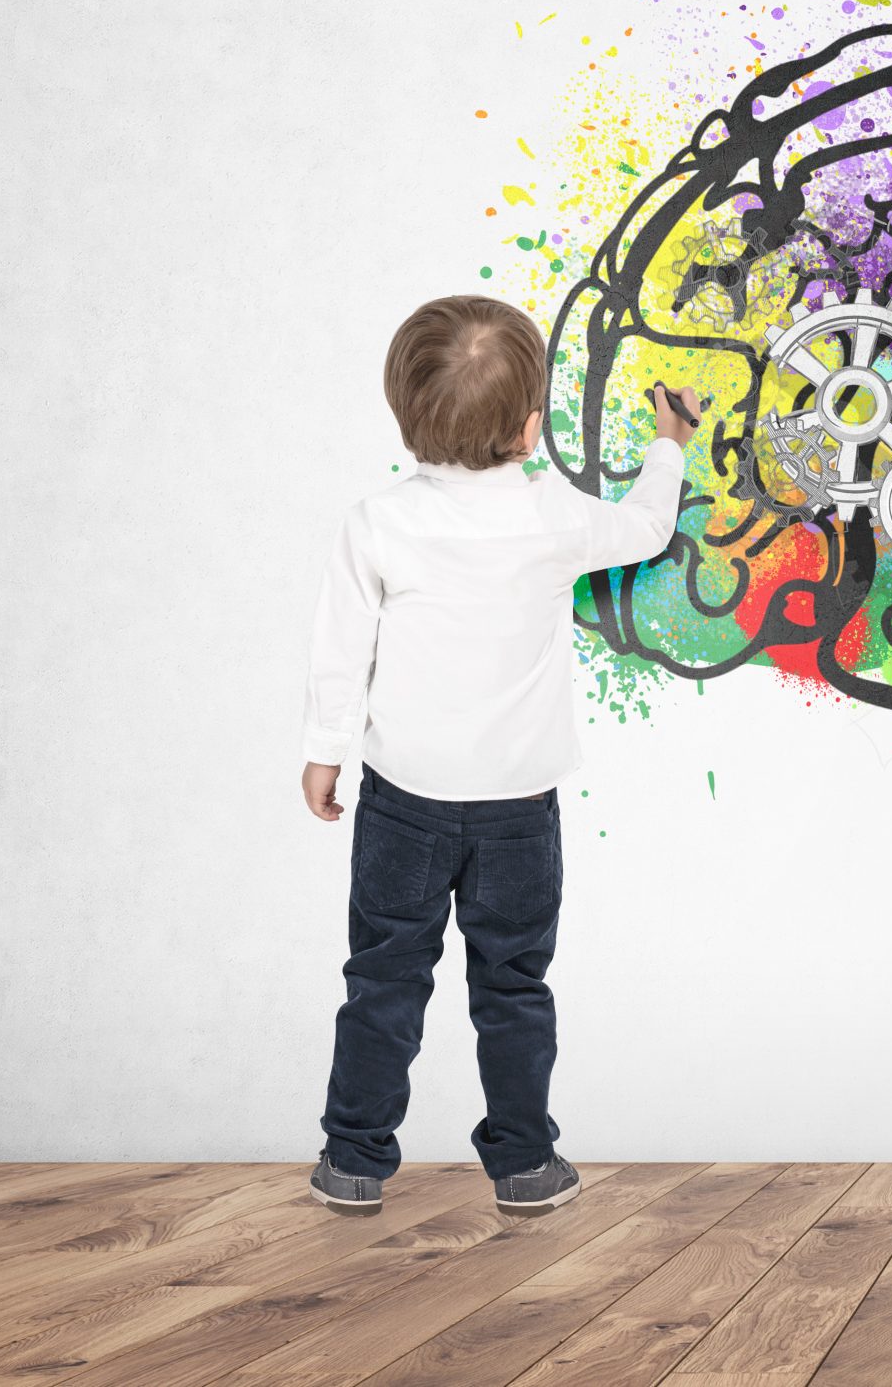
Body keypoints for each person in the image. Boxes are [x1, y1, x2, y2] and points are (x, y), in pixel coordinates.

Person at [296, 294, 701, 1216]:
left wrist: (325, 752)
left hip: (402, 800)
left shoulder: (378, 523)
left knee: (383, 978)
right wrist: (668, 442)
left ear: (406, 418)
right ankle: (523, 1164)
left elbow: (338, 650)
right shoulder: (549, 515)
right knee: (513, 985)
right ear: (529, 430)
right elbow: (643, 530)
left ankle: (352, 1159)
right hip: (519, 808)